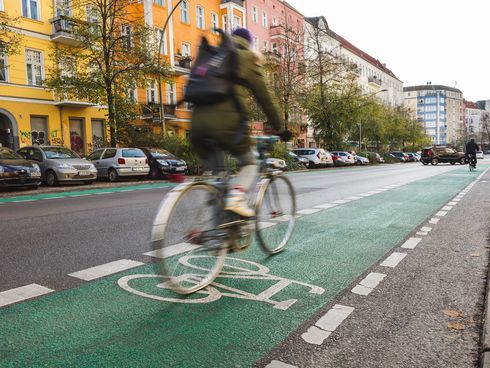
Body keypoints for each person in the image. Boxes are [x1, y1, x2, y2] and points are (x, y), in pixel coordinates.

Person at [190, 28, 285, 217]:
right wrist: (280, 127)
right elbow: (265, 98)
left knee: (220, 182)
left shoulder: (213, 57)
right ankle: (238, 197)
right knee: (250, 163)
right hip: (226, 126)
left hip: (197, 128)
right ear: (248, 42)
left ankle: (219, 239)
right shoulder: (246, 57)